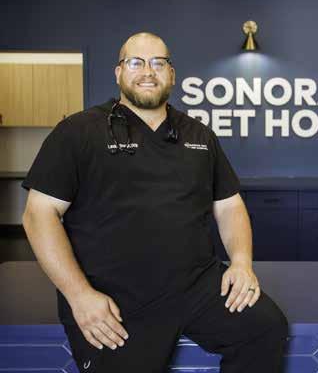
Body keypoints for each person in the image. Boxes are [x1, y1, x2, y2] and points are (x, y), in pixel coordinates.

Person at [21, 32, 289, 372]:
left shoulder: (199, 135)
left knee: (265, 329)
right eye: (136, 62)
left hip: (195, 285)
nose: (148, 71)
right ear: (119, 72)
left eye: (158, 63)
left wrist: (241, 262)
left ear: (171, 74)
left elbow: (229, 205)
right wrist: (79, 295)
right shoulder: (77, 132)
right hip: (114, 296)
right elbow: (39, 214)